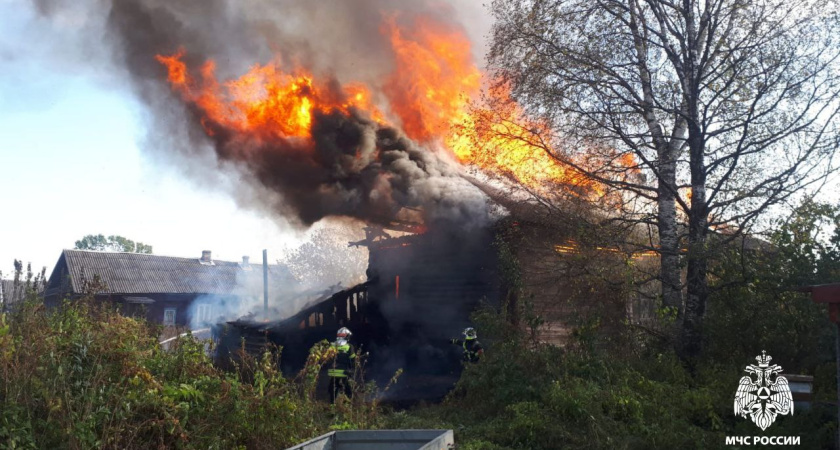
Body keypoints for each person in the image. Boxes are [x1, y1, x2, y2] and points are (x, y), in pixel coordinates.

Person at [327, 327, 356, 403]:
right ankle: (348, 403)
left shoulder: (332, 345)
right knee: (347, 388)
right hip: (344, 372)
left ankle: (332, 404)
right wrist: (352, 370)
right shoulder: (349, 346)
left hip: (333, 372)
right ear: (347, 336)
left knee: (333, 388)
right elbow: (353, 360)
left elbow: (327, 358)